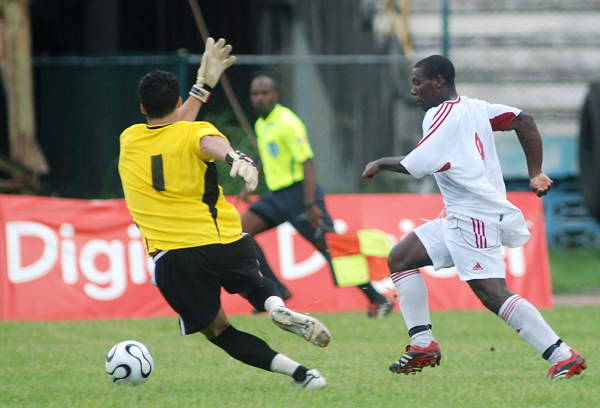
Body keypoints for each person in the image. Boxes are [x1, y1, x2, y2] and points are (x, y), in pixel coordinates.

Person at [118, 38, 331, 389]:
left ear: (142, 108)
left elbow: (173, 128)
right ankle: (274, 304)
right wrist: (233, 156)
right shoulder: (195, 131)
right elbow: (203, 141)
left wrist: (202, 89)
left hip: (174, 258)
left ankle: (303, 375)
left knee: (220, 331)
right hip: (223, 240)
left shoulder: (129, 139)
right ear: (176, 101)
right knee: (256, 285)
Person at [362, 55, 587, 379]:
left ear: (438, 82)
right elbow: (524, 121)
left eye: (417, 82)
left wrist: (382, 161)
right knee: (401, 258)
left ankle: (563, 355)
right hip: (459, 216)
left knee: (493, 294)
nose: (414, 91)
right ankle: (423, 344)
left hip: (474, 219)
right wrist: (535, 172)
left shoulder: (439, 115)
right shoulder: (476, 107)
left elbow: (418, 163)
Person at [240, 75, 395, 318]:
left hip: (300, 195)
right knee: (240, 234)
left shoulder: (287, 123)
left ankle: (378, 299)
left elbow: (308, 163)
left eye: (264, 93)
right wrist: (252, 182)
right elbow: (266, 157)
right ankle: (276, 290)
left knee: (332, 250)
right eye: (255, 94)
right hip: (275, 196)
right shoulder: (262, 124)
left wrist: (310, 203)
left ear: (275, 95)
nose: (259, 98)